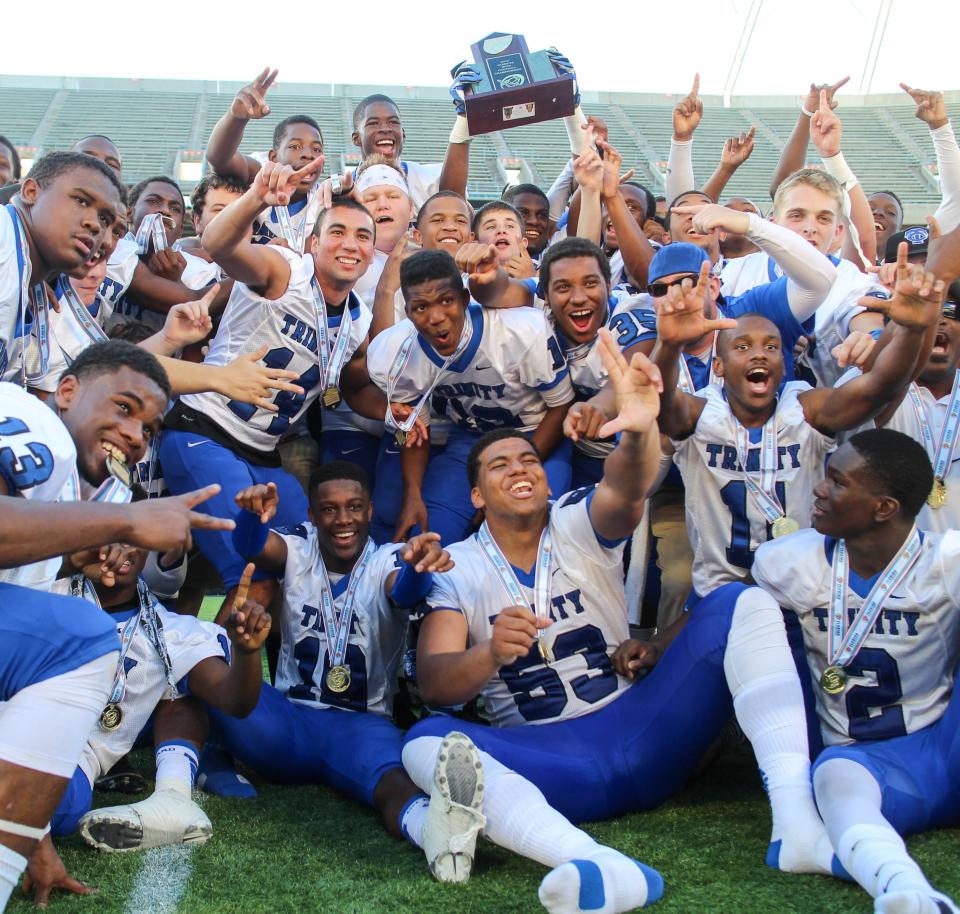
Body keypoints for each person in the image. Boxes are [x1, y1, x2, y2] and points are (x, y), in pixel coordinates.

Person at [400, 333, 836, 910]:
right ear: (477, 495)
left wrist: (637, 430)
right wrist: (487, 655)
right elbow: (434, 684)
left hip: (641, 722)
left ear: (548, 478)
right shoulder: (461, 570)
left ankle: (796, 824)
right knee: (425, 742)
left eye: (530, 459)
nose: (520, 469)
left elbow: (627, 490)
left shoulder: (575, 521)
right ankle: (596, 862)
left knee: (741, 599)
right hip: (548, 760)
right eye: (500, 466)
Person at [0, 340, 235, 909]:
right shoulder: (39, 424)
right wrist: (127, 519)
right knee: (80, 638)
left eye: (149, 429)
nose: (135, 435)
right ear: (67, 391)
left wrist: (28, 830)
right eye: (125, 408)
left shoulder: (92, 490)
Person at [653, 244, 941, 600]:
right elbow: (662, 407)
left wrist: (911, 331)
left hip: (802, 593)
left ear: (784, 363)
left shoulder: (806, 410)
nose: (759, 352)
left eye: (771, 346)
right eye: (742, 347)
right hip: (720, 591)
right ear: (719, 367)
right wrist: (668, 345)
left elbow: (877, 390)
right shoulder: (700, 413)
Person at [751, 429, 960, 914]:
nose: (819, 490)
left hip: (944, 742)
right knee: (836, 778)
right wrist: (658, 643)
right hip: (863, 762)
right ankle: (906, 890)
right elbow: (730, 622)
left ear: (884, 507)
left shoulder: (944, 562)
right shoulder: (792, 560)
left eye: (838, 482)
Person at [160, 162, 373, 616]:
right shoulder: (285, 270)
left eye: (362, 236)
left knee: (306, 563)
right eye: (337, 232)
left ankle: (290, 679)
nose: (350, 244)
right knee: (249, 571)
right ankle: (221, 684)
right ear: (313, 244)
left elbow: (363, 390)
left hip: (264, 454)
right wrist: (256, 196)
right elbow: (219, 245)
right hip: (206, 431)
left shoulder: (359, 322)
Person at [206, 464, 451, 842]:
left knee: (393, 783)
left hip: (360, 724)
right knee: (205, 662)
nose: (342, 519)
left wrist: (419, 568)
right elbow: (253, 546)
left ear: (370, 511)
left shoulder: (385, 558)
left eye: (354, 507)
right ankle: (211, 754)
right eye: (329, 509)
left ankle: (434, 834)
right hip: (287, 721)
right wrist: (251, 516)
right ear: (312, 515)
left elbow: (403, 591)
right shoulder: (299, 547)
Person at [47, 546, 270, 853]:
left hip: (81, 757)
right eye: (109, 534)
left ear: (147, 547)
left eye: (131, 538)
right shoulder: (42, 593)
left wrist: (247, 652)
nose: (118, 549)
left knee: (61, 811)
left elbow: (235, 702)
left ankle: (173, 796)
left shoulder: (173, 631)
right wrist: (67, 559)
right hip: (27, 732)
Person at [366, 249, 573, 545]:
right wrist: (413, 493)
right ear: (407, 312)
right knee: (430, 537)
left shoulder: (521, 331)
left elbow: (560, 405)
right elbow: (415, 430)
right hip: (468, 439)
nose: (436, 317)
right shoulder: (395, 353)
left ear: (464, 299)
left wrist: (517, 467)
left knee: (530, 530)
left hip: (537, 435)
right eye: (421, 307)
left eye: (446, 301)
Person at [0, 151, 126, 385]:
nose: (95, 225)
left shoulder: (43, 299)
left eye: (105, 219)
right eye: (81, 201)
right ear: (31, 192)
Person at [204, 68, 326, 247]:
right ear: (273, 157)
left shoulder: (325, 198)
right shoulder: (261, 174)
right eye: (294, 146)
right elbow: (219, 159)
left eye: (316, 149)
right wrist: (236, 118)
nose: (308, 154)